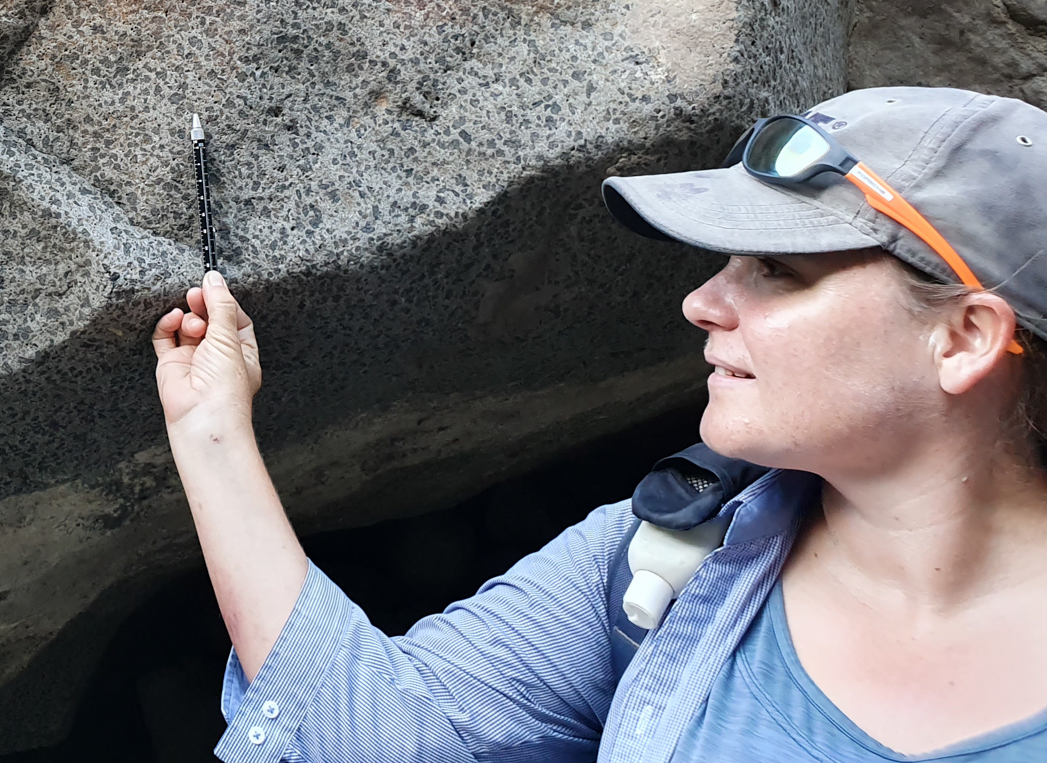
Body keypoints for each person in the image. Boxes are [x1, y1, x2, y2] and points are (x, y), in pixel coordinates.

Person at [152, 86, 1047, 761]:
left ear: (965, 338)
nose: (702, 302)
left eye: (778, 268)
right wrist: (211, 432)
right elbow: (376, 736)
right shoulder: (666, 558)